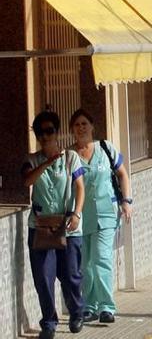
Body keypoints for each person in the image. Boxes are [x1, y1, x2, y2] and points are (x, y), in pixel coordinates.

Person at [22, 109, 86, 339]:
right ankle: (49, 322)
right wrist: (47, 161)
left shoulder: (71, 158)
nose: (45, 136)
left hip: (68, 225)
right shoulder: (31, 159)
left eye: (49, 131)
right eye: (41, 132)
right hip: (40, 227)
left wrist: (77, 213)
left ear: (57, 132)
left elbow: (80, 187)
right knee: (44, 277)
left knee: (70, 275)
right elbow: (28, 180)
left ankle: (77, 311)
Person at [69, 109, 133, 324]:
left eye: (84, 123)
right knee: (85, 263)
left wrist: (127, 201)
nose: (81, 127)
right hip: (81, 216)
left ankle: (107, 306)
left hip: (106, 213)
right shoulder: (69, 156)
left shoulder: (106, 148)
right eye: (77, 124)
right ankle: (89, 306)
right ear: (72, 130)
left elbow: (122, 174)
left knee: (101, 258)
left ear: (92, 126)